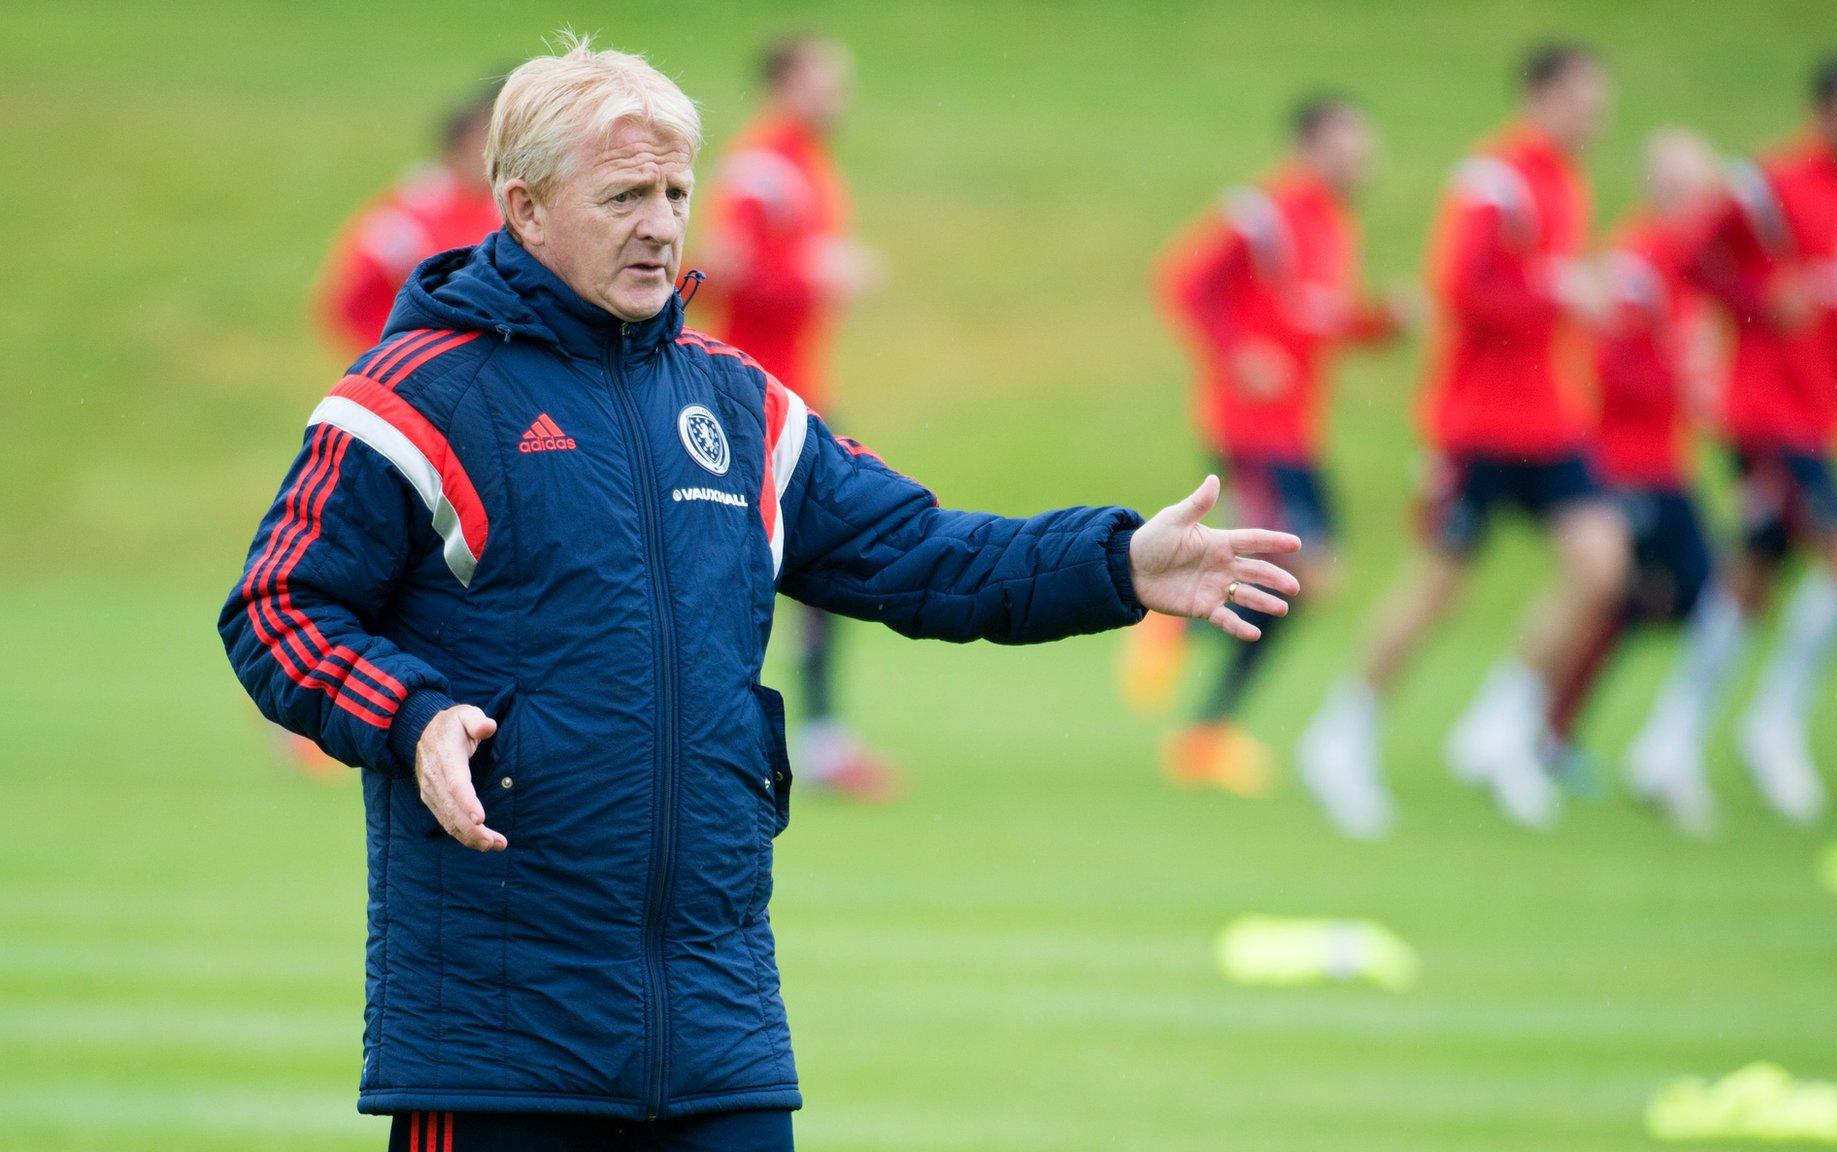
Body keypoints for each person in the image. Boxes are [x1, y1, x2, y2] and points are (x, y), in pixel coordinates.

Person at [217, 37, 1299, 1152]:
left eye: (675, 191)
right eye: (624, 194)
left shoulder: (740, 411)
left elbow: (922, 554)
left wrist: (1114, 563)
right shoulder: (412, 398)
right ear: (524, 207)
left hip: (716, 1029)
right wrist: (411, 714)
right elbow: (276, 608)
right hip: (499, 1038)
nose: (661, 224)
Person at [1297, 42, 1627, 836]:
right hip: (1477, 423)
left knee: (1602, 562)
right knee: (1441, 586)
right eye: (1583, 100)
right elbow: (1466, 290)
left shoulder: (1567, 180)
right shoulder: (1493, 179)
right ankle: (1343, 733)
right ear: (1542, 96)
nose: (1596, 117)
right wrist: (1562, 293)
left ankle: (1500, 725)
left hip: (1549, 420)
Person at [1630, 55, 1837, 824]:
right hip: (1768, 417)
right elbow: (1694, 259)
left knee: (1748, 581)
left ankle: (1668, 743)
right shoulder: (1770, 184)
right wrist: (1759, 295)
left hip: (1822, 418)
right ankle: (1772, 726)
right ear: (1826, 112)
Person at [1132, 93, 1408, 797]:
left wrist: (1381, 325)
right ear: (1314, 144)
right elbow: (1184, 282)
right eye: (1350, 142)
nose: (1363, 157)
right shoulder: (1263, 213)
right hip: (1251, 428)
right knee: (1293, 572)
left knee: (1312, 578)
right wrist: (1237, 351)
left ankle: (1202, 721)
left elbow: (1320, 322)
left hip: (1297, 433)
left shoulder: (1333, 227)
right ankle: (1174, 648)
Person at [698, 35, 890, 799]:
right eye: (824, 80)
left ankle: (820, 739)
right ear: (784, 82)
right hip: (755, 401)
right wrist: (809, 274)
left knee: (821, 561)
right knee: (737, 570)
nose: (838, 94)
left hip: (803, 395)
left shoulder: (806, 162)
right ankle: (730, 738)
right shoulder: (762, 167)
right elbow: (723, 267)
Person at [1539, 129, 1727, 834]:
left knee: (1669, 601)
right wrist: (1681, 380)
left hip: (1666, 462)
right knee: (1670, 593)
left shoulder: (1689, 271)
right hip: (1624, 460)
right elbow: (1611, 366)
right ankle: (1545, 730)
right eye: (1683, 188)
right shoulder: (1638, 260)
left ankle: (1558, 732)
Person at [315, 78, 504, 357]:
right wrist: (393, 351)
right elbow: (351, 298)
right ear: (458, 147)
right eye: (487, 144)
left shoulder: (492, 205)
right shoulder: (411, 215)